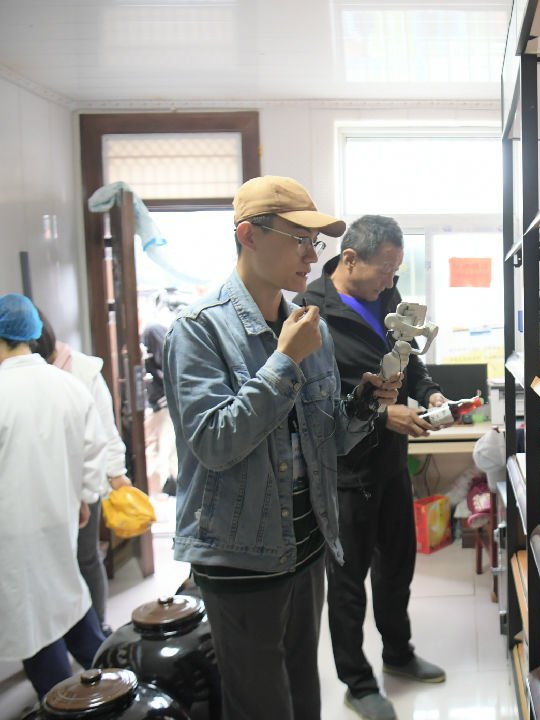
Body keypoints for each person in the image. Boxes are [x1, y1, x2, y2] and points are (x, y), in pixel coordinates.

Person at [162, 176, 402, 720]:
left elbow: (328, 440)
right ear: (248, 235)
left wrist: (363, 404)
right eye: (298, 239)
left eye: (314, 242)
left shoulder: (307, 325)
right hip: (240, 557)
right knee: (262, 705)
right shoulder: (198, 331)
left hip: (306, 546)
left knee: (302, 695)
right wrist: (285, 360)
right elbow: (215, 443)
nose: (311, 255)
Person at [299, 214, 447, 720]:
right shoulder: (310, 314)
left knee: (396, 569)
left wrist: (429, 392)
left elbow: (408, 360)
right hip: (345, 474)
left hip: (390, 465)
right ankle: (357, 683)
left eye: (396, 271)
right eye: (384, 269)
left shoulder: (387, 299)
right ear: (350, 259)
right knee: (347, 586)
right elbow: (316, 402)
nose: (391, 280)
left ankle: (398, 654)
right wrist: (385, 415)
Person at [0, 294, 108, 698]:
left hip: (11, 537)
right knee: (69, 605)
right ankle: (119, 690)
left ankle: (67, 704)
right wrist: (83, 497)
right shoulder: (69, 387)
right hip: (60, 521)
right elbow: (94, 452)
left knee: (33, 625)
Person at [31, 306, 133, 636]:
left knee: (85, 558)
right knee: (48, 565)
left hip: (81, 484)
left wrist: (116, 475)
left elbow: (104, 428)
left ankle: (96, 626)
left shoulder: (82, 370)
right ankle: (62, 632)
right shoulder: (19, 378)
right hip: (40, 486)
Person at [141, 292, 178, 497]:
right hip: (161, 401)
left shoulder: (153, 329)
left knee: (163, 449)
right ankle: (163, 492)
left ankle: (161, 493)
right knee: (164, 449)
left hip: (162, 402)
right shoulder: (154, 330)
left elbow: (169, 364)